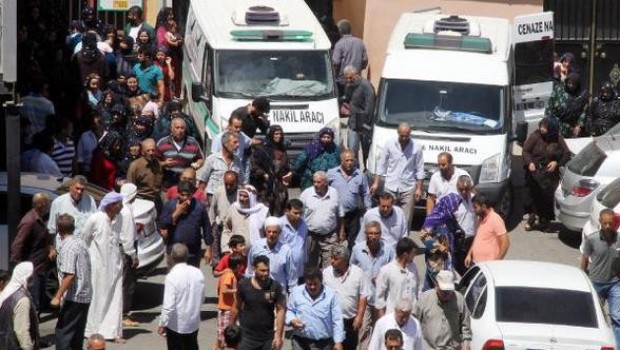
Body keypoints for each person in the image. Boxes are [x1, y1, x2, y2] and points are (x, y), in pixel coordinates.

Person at [82, 192, 125, 342]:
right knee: (96, 298)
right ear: (110, 205)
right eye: (118, 204)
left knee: (115, 298)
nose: (121, 206)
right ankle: (92, 331)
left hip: (114, 265)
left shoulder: (120, 218)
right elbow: (84, 239)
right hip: (97, 266)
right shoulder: (95, 219)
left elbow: (119, 239)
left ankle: (112, 332)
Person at [350, 221, 396, 349]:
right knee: (363, 331)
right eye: (370, 233)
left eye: (376, 233)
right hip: (363, 299)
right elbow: (351, 270)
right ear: (365, 234)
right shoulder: (357, 249)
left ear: (381, 234)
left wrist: (383, 278)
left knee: (382, 331)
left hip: (382, 300)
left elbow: (395, 271)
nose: (373, 236)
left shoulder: (388, 250)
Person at [370, 122, 425, 229]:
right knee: (387, 216)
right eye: (402, 135)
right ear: (398, 133)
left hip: (408, 187)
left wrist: (419, 189)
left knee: (405, 220)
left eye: (407, 135)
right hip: (391, 186)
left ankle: (403, 243)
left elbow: (420, 169)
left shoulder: (416, 148)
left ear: (410, 133)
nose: (404, 138)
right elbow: (381, 164)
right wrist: (376, 183)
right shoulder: (389, 144)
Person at [421, 175, 476, 276]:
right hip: (448, 252)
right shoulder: (451, 201)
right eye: (461, 189)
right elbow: (423, 234)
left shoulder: (474, 200)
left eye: (466, 189)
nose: (464, 192)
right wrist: (439, 246)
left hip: (468, 245)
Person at [52, 214, 93, 350]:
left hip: (74, 297)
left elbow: (69, 275)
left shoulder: (69, 248)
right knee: (76, 335)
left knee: (63, 333)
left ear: (58, 228)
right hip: (85, 295)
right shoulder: (80, 242)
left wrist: (57, 296)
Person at [522, 117, 570, 232]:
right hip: (535, 174)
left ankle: (544, 221)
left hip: (549, 176)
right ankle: (532, 218)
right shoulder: (535, 136)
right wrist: (530, 163)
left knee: (547, 199)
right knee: (534, 197)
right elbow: (525, 151)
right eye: (541, 126)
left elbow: (566, 154)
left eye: (545, 127)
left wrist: (557, 163)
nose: (542, 129)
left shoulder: (557, 138)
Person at [581, 209, 620, 345]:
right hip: (596, 283)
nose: (608, 226)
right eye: (605, 223)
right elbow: (585, 258)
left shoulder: (618, 240)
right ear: (600, 223)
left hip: (614, 284)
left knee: (617, 317)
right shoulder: (592, 239)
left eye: (610, 223)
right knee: (595, 318)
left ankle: (617, 344)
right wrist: (582, 275)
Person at [10, 193, 52, 313]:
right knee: (33, 305)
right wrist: (20, 269)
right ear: (41, 204)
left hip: (40, 268)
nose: (49, 206)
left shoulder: (40, 219)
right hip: (32, 271)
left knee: (37, 304)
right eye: (48, 203)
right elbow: (17, 245)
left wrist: (50, 248)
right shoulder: (30, 221)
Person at [232, 255, 286, 350]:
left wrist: (278, 336)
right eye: (262, 270)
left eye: (267, 270)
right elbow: (236, 307)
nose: (265, 273)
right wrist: (231, 328)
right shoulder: (244, 285)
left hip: (267, 338)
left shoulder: (274, 287)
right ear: (254, 269)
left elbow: (281, 310)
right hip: (246, 338)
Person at [158, 243, 205, 350]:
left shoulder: (172, 276)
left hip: (176, 325)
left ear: (172, 256)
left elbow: (168, 305)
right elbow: (202, 297)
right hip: (193, 323)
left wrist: (162, 323)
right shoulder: (198, 273)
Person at [286, 268, 345, 350]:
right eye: (309, 284)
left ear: (321, 281)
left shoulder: (332, 295)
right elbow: (290, 310)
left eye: (315, 284)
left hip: (323, 343)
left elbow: (337, 319)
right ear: (305, 281)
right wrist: (292, 320)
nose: (312, 287)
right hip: (300, 341)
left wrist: (338, 342)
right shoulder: (296, 293)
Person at [323, 246, 369, 350]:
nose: (332, 261)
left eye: (335, 259)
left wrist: (359, 317)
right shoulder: (326, 273)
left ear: (345, 261)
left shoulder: (358, 273)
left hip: (350, 321)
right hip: (331, 321)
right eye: (331, 258)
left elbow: (363, 295)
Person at [159, 181, 213, 268]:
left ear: (192, 194)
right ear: (178, 193)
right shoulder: (170, 205)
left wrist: (209, 249)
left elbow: (207, 228)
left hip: (193, 252)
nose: (185, 198)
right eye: (182, 195)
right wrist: (176, 213)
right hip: (174, 252)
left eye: (188, 195)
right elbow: (162, 223)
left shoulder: (199, 207)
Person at [413, 270, 471, 350]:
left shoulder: (459, 299)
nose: (447, 293)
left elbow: (465, 325)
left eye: (449, 291)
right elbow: (414, 322)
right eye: (443, 291)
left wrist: (466, 343)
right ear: (436, 286)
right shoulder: (424, 299)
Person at [300, 171, 345, 269]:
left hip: (329, 236)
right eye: (314, 182)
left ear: (326, 183)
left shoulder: (334, 193)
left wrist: (341, 231)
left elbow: (340, 214)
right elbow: (298, 214)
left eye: (319, 182)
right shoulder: (306, 194)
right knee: (311, 265)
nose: (316, 184)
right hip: (310, 236)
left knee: (329, 266)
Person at [327, 149, 371, 249]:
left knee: (353, 242)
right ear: (341, 160)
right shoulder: (331, 173)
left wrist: (368, 210)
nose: (350, 163)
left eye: (352, 160)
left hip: (353, 215)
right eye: (347, 160)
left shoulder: (360, 175)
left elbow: (365, 194)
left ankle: (351, 263)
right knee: (336, 242)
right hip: (336, 215)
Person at [246, 217, 297, 292]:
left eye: (275, 232)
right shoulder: (256, 247)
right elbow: (250, 270)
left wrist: (292, 295)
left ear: (280, 232)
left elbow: (291, 277)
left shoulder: (286, 250)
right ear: (265, 232)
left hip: (277, 293)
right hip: (258, 292)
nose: (271, 234)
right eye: (269, 231)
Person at [251, 125, 292, 214]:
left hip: (280, 187)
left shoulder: (282, 149)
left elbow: (286, 166)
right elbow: (254, 165)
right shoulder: (262, 149)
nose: (279, 136)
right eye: (276, 134)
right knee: (265, 213)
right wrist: (263, 174)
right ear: (271, 134)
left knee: (280, 213)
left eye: (280, 134)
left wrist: (288, 174)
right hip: (265, 187)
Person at [375, 237, 421, 318]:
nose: (414, 255)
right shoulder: (386, 270)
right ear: (405, 254)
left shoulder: (413, 268)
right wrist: (382, 321)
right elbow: (379, 298)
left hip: (411, 317)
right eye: (413, 253)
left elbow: (417, 290)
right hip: (392, 317)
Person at [0, 262, 40, 350]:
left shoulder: (5, 293)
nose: (33, 278)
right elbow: (22, 331)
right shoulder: (22, 299)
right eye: (31, 276)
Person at [157, 117, 204, 189]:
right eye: (177, 127)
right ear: (172, 129)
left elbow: (200, 159)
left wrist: (197, 164)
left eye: (182, 128)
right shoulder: (162, 143)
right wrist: (164, 163)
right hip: (167, 185)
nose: (180, 130)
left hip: (187, 186)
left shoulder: (192, 142)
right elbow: (154, 162)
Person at [464, 194, 510, 268]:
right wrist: (469, 254)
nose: (473, 210)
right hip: (477, 263)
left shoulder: (495, 219)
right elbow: (477, 238)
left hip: (489, 266)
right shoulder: (480, 218)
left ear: (484, 207)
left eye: (475, 207)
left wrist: (497, 262)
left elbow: (506, 243)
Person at [342, 65, 375, 164]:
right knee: (352, 150)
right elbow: (347, 98)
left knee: (366, 150)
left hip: (364, 122)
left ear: (356, 75)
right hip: (353, 122)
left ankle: (366, 170)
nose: (348, 80)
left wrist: (366, 125)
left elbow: (370, 107)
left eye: (350, 77)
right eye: (346, 78)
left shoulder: (366, 86)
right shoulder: (349, 86)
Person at [198, 131, 246, 197]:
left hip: (232, 198)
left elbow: (242, 182)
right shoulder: (212, 159)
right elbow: (202, 182)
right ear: (225, 144)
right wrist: (200, 199)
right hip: (213, 197)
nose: (238, 145)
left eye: (238, 142)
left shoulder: (237, 161)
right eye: (235, 142)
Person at [222, 185, 269, 249]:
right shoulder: (233, 208)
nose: (241, 198)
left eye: (245, 196)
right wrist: (226, 248)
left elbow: (269, 232)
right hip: (236, 254)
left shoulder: (262, 211)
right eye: (240, 195)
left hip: (258, 251)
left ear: (252, 197)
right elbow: (226, 230)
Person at [119, 184, 140, 327]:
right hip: (126, 252)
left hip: (123, 249)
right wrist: (133, 256)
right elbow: (127, 239)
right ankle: (123, 314)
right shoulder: (126, 211)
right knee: (126, 283)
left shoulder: (122, 207)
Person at [545, 72, 588, 138]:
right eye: (569, 83)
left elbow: (584, 111)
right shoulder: (558, 90)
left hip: (574, 129)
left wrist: (579, 125)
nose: (571, 85)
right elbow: (549, 109)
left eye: (574, 84)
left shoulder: (581, 94)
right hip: (558, 127)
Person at [332, 19, 368, 97]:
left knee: (343, 104)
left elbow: (335, 63)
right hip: (356, 80)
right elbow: (365, 61)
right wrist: (357, 70)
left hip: (342, 82)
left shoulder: (339, 44)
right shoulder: (360, 42)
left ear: (340, 31)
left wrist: (334, 77)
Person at [126, 138, 164, 211]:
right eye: (148, 150)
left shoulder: (157, 164)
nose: (151, 153)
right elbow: (129, 187)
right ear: (142, 152)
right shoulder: (135, 166)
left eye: (153, 150)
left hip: (155, 200)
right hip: (139, 200)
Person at [216, 253, 244, 350]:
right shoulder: (229, 275)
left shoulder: (231, 274)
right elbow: (224, 290)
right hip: (226, 309)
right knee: (224, 337)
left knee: (234, 334)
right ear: (237, 266)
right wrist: (236, 290)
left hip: (230, 309)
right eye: (240, 265)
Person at [209, 171, 239, 260]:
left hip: (233, 229)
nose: (228, 187)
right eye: (226, 184)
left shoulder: (241, 194)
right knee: (216, 257)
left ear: (236, 183)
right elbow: (212, 211)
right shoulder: (218, 191)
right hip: (219, 227)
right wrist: (210, 228)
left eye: (231, 184)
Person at [279, 199, 308, 284]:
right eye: (295, 213)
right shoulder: (279, 225)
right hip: (284, 271)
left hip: (299, 271)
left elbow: (304, 246)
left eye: (300, 213)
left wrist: (305, 262)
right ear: (287, 211)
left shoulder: (304, 225)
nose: (298, 216)